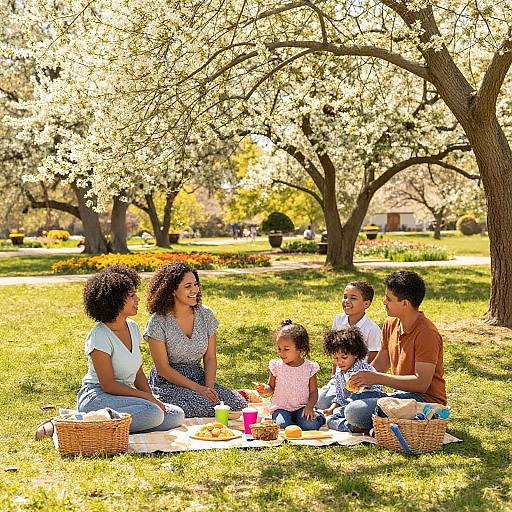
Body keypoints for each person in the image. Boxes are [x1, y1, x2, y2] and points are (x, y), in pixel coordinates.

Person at [76, 265, 185, 433]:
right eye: (132, 295)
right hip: (97, 396)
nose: (138, 299)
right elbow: (108, 385)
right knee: (153, 414)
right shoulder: (99, 335)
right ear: (115, 300)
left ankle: (109, 425)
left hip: (123, 397)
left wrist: (152, 397)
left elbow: (138, 373)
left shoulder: (132, 327)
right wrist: (146, 398)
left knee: (175, 415)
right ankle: (84, 422)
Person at [344, 270, 447, 433]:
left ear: (405, 303)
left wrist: (377, 378)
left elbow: (421, 384)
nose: (384, 302)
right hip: (401, 396)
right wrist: (360, 377)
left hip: (426, 403)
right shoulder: (390, 323)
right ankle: (377, 426)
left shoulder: (427, 333)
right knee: (351, 399)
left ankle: (362, 425)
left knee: (354, 411)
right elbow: (381, 364)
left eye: (389, 299)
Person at [144, 262, 247, 417]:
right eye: (188, 286)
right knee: (203, 406)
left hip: (198, 376)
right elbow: (163, 369)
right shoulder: (158, 321)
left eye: (196, 284)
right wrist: (198, 389)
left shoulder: (205, 314)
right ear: (172, 290)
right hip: (168, 381)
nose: (195, 290)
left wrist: (209, 388)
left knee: (237, 405)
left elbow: (211, 357)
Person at [316, 280, 381, 409]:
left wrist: (359, 381)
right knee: (319, 401)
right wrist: (335, 378)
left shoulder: (372, 329)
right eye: (345, 296)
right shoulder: (339, 320)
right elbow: (335, 351)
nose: (346, 301)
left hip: (360, 381)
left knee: (347, 403)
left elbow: (373, 361)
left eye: (353, 298)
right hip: (340, 377)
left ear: (366, 303)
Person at [256, 320, 325, 430]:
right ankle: (294, 420)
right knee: (282, 426)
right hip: (281, 407)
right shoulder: (276, 366)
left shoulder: (309, 367)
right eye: (279, 348)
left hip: (302, 407)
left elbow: (313, 392)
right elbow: (271, 388)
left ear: (300, 348)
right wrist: (265, 389)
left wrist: (310, 407)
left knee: (310, 425)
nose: (281, 353)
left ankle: (320, 417)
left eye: (286, 349)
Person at [322, 327, 384, 431]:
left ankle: (360, 424)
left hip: (366, 403)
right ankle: (353, 427)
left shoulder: (363, 369)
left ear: (355, 354)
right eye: (336, 358)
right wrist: (332, 408)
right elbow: (340, 396)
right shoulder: (338, 373)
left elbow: (378, 389)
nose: (340, 362)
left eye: (344, 357)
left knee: (352, 410)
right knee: (330, 420)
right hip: (348, 405)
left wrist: (364, 387)